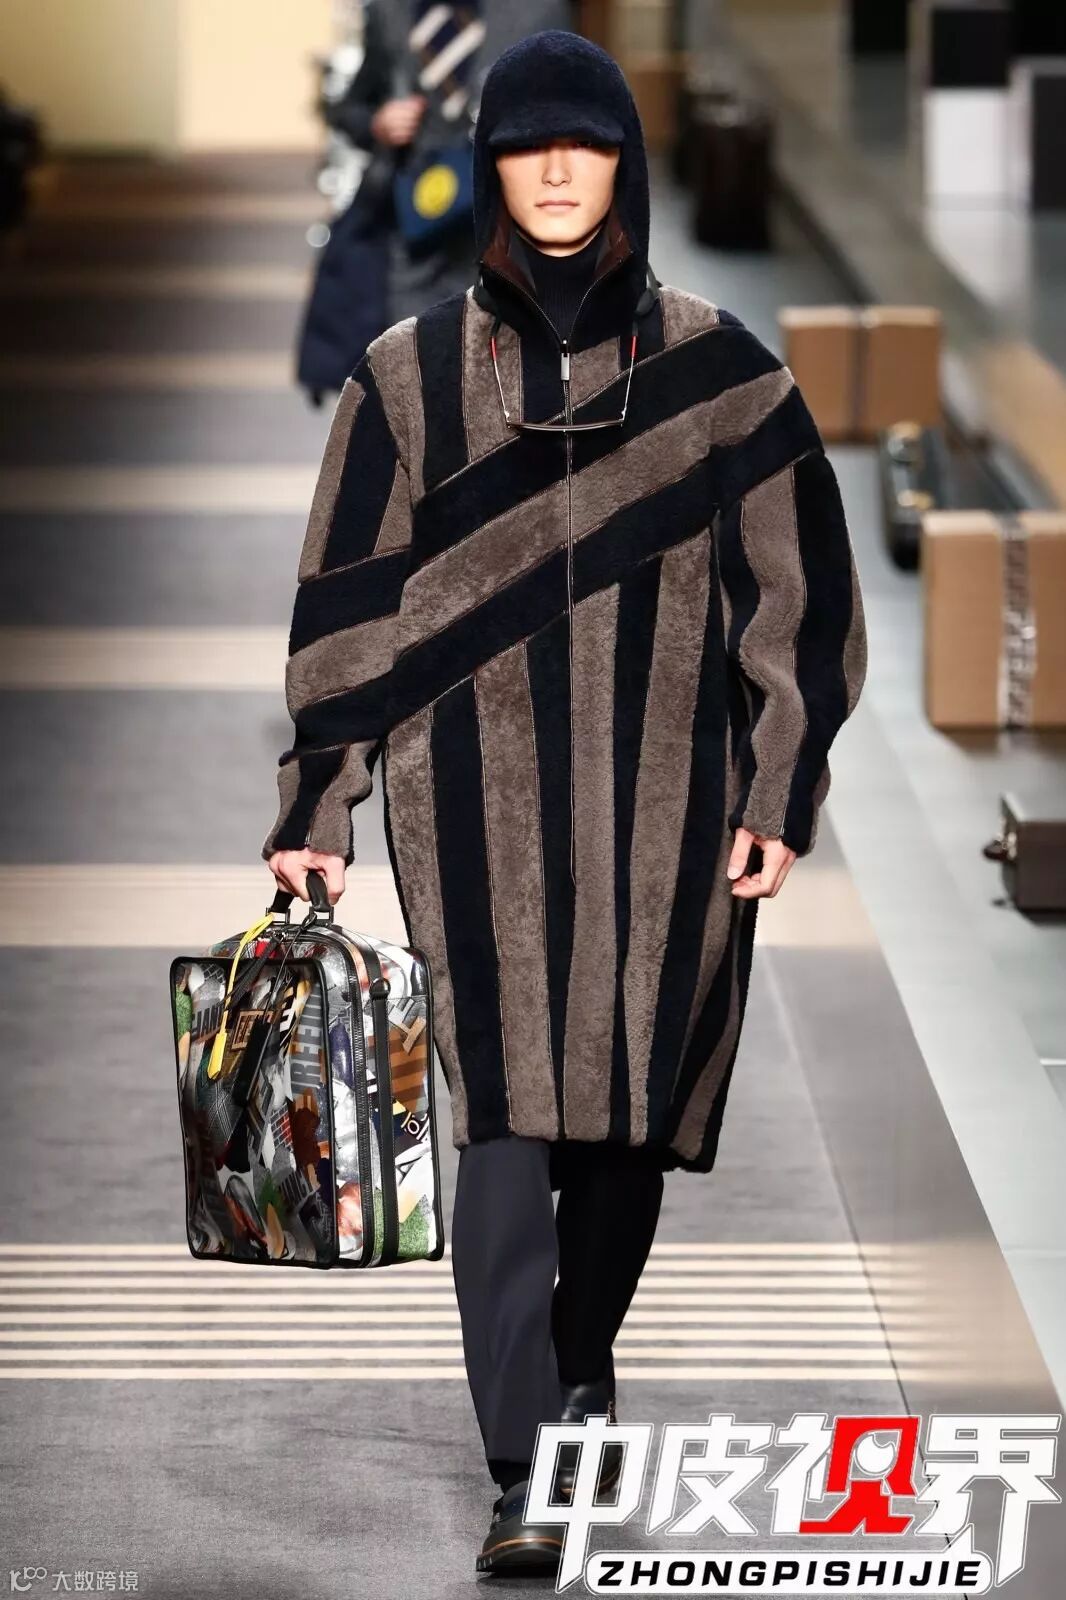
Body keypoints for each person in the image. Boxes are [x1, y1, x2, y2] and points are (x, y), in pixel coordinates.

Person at [264, 28, 868, 1575]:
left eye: (580, 145)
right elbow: (344, 611)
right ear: (488, 167)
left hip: (673, 808)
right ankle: (528, 1460)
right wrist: (320, 801)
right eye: (525, 145)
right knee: (503, 1122)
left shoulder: (721, 374)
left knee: (623, 1126)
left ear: (622, 166)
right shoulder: (403, 383)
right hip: (472, 813)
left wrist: (779, 785)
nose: (551, 170)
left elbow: (799, 600)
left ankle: (582, 1364)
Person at [298, 0, 571, 398]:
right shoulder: (391, 12)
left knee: (505, 373)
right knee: (415, 373)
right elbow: (351, 108)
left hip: (508, 223)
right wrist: (379, 123)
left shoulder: (537, 11)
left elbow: (576, 108)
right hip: (414, 225)